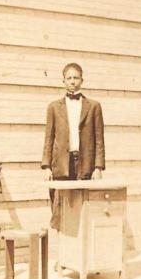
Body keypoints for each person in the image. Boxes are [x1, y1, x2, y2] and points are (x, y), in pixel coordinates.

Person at [41, 63, 106, 230]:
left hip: (85, 164)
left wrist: (98, 167)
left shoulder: (94, 107)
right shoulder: (54, 107)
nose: (72, 81)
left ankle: (82, 250)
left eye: (76, 77)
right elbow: (49, 138)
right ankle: (65, 248)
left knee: (84, 205)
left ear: (82, 80)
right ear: (63, 81)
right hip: (62, 163)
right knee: (60, 207)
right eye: (69, 78)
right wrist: (47, 166)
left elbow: (99, 139)